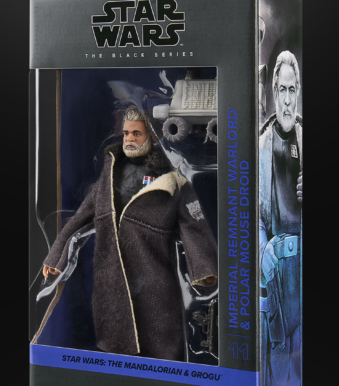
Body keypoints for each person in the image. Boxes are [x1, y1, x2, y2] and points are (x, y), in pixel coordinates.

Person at [41, 106, 218, 361]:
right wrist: (56, 258)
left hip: (155, 280)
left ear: (152, 137)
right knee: (115, 346)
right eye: (126, 133)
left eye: (136, 133)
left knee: (161, 344)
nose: (129, 139)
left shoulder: (170, 178)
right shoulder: (108, 179)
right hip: (111, 282)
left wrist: (204, 270)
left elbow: (193, 224)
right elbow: (78, 220)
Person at [258, 51, 302, 386]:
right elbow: (250, 214)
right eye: (282, 90)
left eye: (292, 90)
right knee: (277, 372)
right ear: (274, 93)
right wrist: (262, 253)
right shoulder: (261, 145)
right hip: (275, 272)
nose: (287, 100)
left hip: (302, 273)